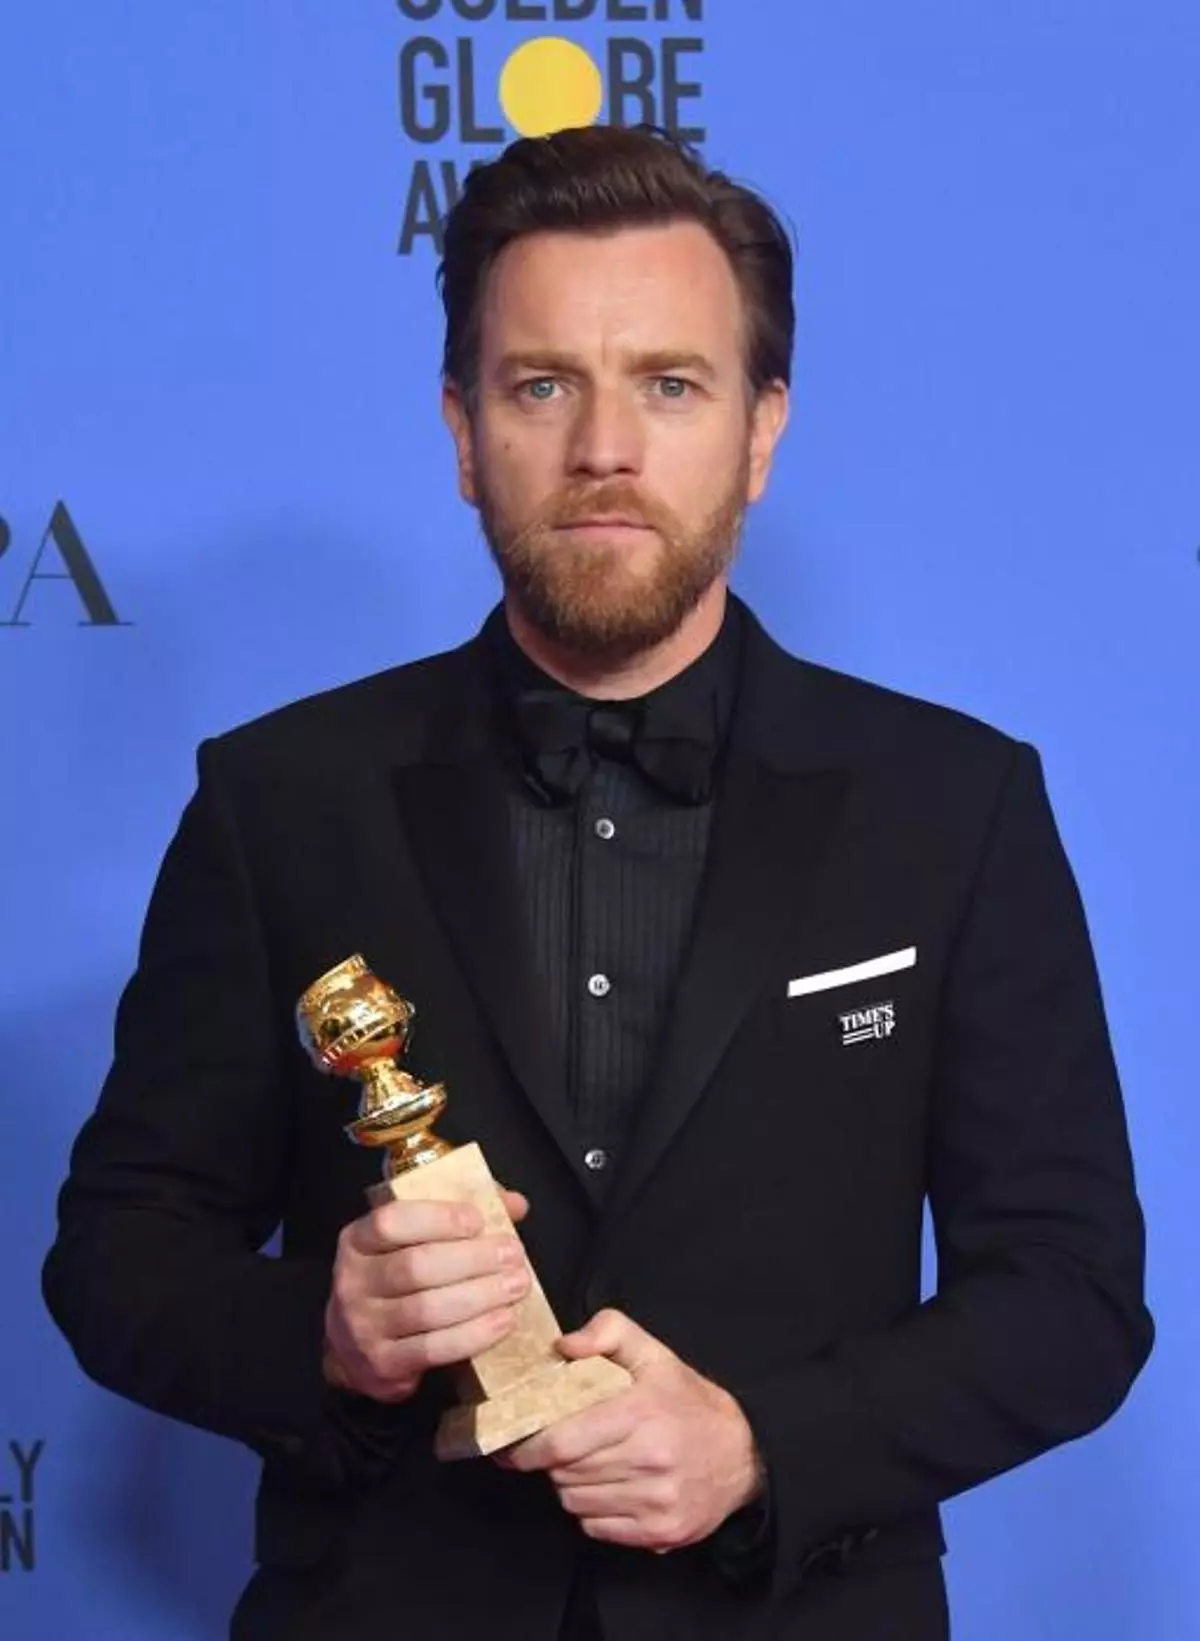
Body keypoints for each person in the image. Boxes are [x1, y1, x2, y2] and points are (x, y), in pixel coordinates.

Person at [43, 124, 1152, 1641]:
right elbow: (119, 1257)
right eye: (542, 385)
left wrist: (765, 1447)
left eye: (671, 385)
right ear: (461, 430)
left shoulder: (953, 805)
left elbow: (1071, 1293)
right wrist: (333, 1332)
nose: (604, 449)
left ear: (762, 430)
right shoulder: (280, 797)